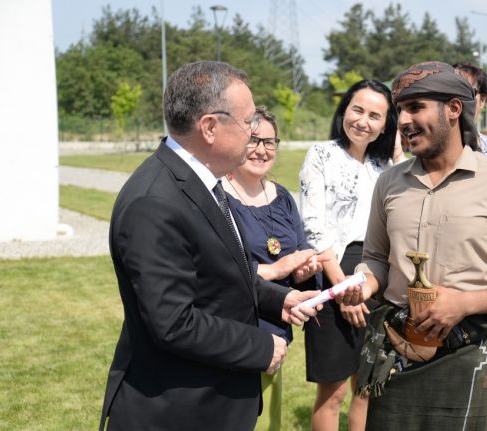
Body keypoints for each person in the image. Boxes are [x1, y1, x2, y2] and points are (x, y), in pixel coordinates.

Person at [98, 61, 321, 431]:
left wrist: (275, 299)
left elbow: (218, 272)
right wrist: (260, 347)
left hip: (213, 403)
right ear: (210, 127)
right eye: (248, 122)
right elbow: (174, 322)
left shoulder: (204, 182)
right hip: (176, 411)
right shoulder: (155, 201)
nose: (254, 133)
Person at [339, 61, 487, 430]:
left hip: (475, 356)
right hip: (398, 357)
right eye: (400, 109)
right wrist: (363, 282)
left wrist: (464, 303)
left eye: (416, 107)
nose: (403, 120)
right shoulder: (389, 183)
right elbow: (376, 259)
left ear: (454, 109)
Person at [299, 79, 403, 431]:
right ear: (344, 110)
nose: (363, 121)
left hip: (375, 278)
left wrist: (398, 152)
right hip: (332, 276)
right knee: (334, 392)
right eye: (357, 110)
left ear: (386, 124)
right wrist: (341, 289)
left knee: (367, 387)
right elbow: (314, 228)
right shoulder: (321, 155)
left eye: (376, 115)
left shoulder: (386, 167)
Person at [222, 106, 326, 431]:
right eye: (253, 140)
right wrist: (278, 268)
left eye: (270, 141)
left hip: (277, 329)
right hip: (237, 330)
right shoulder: (218, 199)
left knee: (269, 421)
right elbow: (221, 271)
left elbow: (296, 260)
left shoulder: (281, 197)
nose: (262, 150)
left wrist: (305, 269)